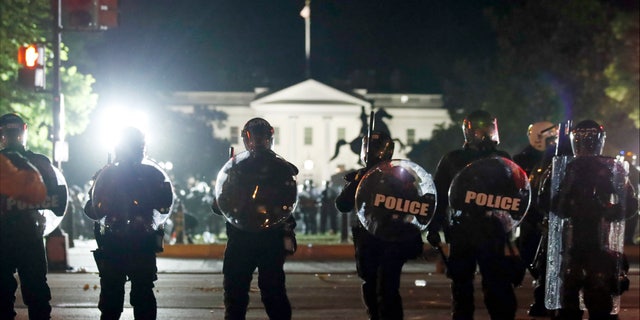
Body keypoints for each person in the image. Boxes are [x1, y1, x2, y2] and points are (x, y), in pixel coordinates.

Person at [426, 110, 524, 320]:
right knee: (461, 286)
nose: (486, 134)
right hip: (462, 229)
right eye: (481, 130)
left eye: (489, 129)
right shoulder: (453, 159)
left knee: (497, 283)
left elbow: (517, 192)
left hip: (493, 229)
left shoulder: (502, 158)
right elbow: (440, 195)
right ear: (469, 132)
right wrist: (433, 226)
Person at [549, 120, 637, 320]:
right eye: (581, 139)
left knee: (599, 288)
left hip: (601, 238)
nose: (585, 144)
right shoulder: (565, 167)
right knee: (569, 289)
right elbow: (546, 200)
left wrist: (608, 211)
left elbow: (629, 202)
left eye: (589, 139)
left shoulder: (610, 168)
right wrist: (568, 208)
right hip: (570, 238)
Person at [211, 117, 298, 320]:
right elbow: (219, 206)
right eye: (254, 138)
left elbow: (287, 203)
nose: (257, 143)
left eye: (262, 138)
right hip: (244, 237)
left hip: (268, 237)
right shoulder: (235, 167)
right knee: (237, 294)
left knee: (270, 293)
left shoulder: (281, 167)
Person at [84, 126, 174, 320]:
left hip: (125, 243)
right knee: (134, 298)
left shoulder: (110, 174)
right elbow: (93, 209)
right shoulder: (148, 174)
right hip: (129, 243)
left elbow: (91, 210)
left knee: (118, 299)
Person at [335, 130, 424, 320]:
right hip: (367, 237)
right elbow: (343, 204)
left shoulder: (400, 176)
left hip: (392, 236)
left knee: (388, 287)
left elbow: (416, 205)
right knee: (370, 284)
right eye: (370, 149)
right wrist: (359, 181)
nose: (374, 153)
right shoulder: (360, 177)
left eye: (377, 149)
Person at [0, 113, 64, 320]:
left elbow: (57, 203)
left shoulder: (36, 162)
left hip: (11, 236)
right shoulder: (40, 162)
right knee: (36, 294)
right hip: (30, 234)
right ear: (25, 130)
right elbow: (57, 201)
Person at [512, 121, 558, 317]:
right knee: (530, 254)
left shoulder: (559, 154)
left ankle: (545, 299)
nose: (554, 138)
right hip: (531, 216)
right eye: (550, 135)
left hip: (553, 212)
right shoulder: (523, 158)